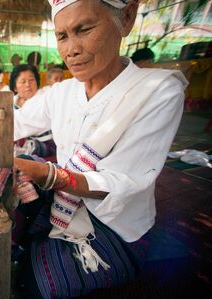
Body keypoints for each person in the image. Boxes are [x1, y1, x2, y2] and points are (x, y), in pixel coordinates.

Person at [11, 0, 188, 298]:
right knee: (12, 218)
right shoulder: (62, 92)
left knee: (33, 285)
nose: (71, 50)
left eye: (85, 29)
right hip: (67, 201)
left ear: (127, 18)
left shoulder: (158, 91)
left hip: (115, 226)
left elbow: (120, 182)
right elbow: (14, 123)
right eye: (62, 36)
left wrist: (48, 174)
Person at [10, 64, 56, 158]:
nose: (28, 84)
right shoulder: (10, 101)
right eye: (23, 81)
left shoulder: (44, 98)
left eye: (31, 80)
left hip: (45, 143)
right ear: (15, 87)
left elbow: (20, 121)